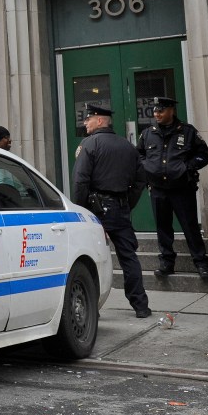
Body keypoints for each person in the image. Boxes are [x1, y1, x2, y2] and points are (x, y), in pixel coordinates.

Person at [72, 104, 151, 318]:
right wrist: (128, 203)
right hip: (121, 208)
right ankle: (141, 306)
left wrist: (79, 211)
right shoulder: (127, 146)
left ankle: (91, 309)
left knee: (91, 258)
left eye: (88, 119)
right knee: (129, 257)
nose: (85, 123)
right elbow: (140, 179)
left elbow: (80, 180)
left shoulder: (89, 144)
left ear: (99, 120)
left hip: (96, 210)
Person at [137, 97, 208, 280]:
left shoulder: (187, 132)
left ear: (171, 111)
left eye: (161, 111)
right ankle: (167, 263)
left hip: (181, 189)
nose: (157, 114)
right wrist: (148, 169)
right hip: (158, 189)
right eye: (155, 111)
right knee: (163, 228)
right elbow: (138, 155)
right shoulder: (148, 134)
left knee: (190, 227)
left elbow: (204, 155)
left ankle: (201, 263)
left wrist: (187, 168)